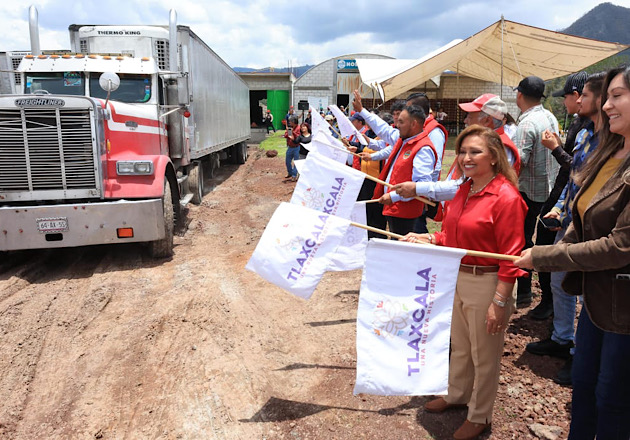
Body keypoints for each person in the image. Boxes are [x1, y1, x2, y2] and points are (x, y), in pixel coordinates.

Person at [515, 65, 630, 439]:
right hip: (598, 302)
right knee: (584, 388)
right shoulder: (608, 151)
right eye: (607, 96)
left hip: (623, 309)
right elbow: (579, 213)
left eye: (617, 96)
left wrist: (543, 256)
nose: (605, 105)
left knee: (612, 400)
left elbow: (619, 246)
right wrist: (556, 241)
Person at [404, 125, 527, 440]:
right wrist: (430, 237)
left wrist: (500, 302)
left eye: (475, 152)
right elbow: (454, 235)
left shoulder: (506, 197)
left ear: (495, 157)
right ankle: (457, 393)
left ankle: (480, 414)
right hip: (456, 276)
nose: (466, 157)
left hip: (487, 283)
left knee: (484, 354)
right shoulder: (464, 188)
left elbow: (511, 257)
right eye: (462, 151)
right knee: (459, 345)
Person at [525, 72, 605, 385]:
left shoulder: (611, 139)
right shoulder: (583, 131)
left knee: (588, 292)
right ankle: (562, 340)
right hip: (569, 219)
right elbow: (575, 178)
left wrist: (557, 149)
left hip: (592, 227)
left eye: (584, 95)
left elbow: (586, 174)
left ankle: (584, 357)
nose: (578, 100)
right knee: (560, 281)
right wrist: (559, 208)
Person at [528, 71, 590, 321]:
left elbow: (578, 168)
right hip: (563, 194)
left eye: (565, 96)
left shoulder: (590, 128)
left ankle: (552, 306)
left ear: (577, 96)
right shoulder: (580, 123)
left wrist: (555, 149)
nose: (564, 102)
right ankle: (552, 304)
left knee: (551, 251)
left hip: (567, 196)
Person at [393, 94, 520, 208]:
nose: (465, 121)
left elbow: (466, 185)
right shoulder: (486, 142)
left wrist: (419, 188)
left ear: (487, 120)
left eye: (470, 116)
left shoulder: (501, 147)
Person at [512, 75, 560, 308]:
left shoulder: (527, 123)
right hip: (549, 190)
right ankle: (545, 296)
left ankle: (523, 292)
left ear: (519, 95)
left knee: (522, 240)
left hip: (528, 192)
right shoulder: (549, 116)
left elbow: (519, 161)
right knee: (541, 241)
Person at [363, 105, 437, 235]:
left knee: (403, 246)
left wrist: (393, 196)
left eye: (401, 122)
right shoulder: (404, 140)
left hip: (405, 211)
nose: (397, 125)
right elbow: (384, 130)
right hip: (396, 207)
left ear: (414, 124)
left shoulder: (423, 148)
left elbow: (421, 185)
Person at [283, 116, 300, 181]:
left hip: (297, 147)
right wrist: (288, 132)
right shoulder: (290, 128)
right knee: (287, 161)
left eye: (290, 121)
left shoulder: (298, 128)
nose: (289, 123)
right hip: (290, 146)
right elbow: (286, 135)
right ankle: (290, 172)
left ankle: (294, 175)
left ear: (294, 122)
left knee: (296, 162)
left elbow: (298, 136)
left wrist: (293, 132)